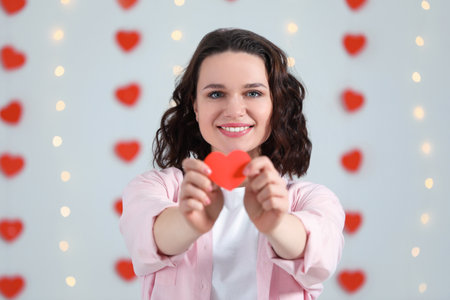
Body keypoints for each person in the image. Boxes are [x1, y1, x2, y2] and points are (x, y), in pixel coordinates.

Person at [120, 28, 344, 300]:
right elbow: (149, 240)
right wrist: (188, 221)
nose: (234, 110)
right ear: (195, 106)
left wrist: (276, 224)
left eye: (253, 93)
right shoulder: (156, 187)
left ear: (276, 104)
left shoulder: (311, 199)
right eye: (216, 94)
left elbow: (319, 257)